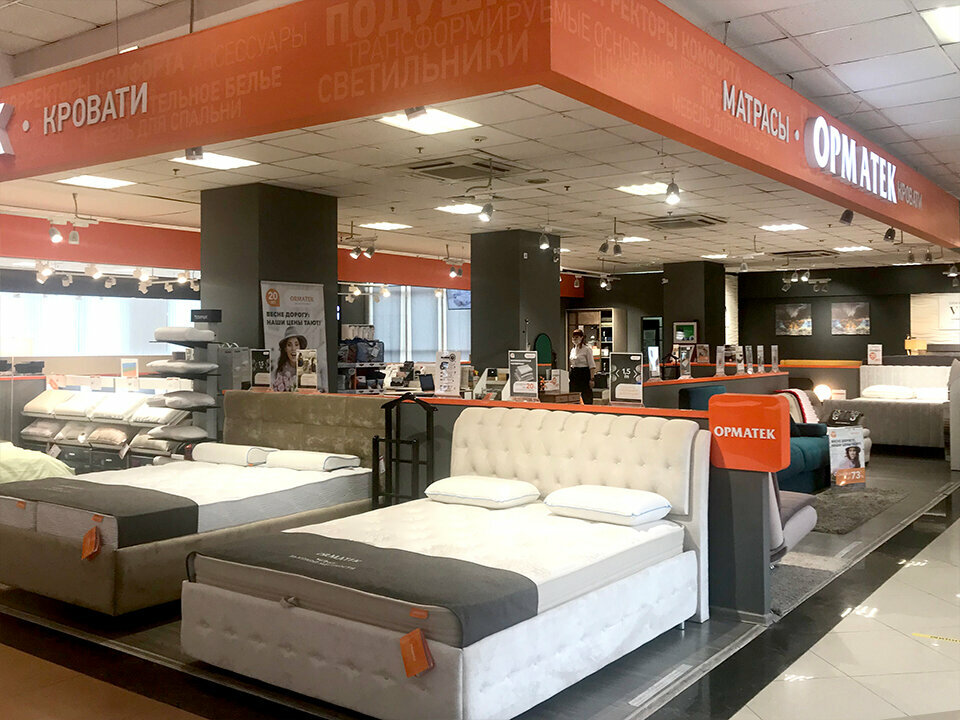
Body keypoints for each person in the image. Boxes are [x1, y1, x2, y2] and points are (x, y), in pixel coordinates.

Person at [272, 326, 308, 392]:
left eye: (296, 345)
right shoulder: (279, 371)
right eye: (289, 345)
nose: (293, 348)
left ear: (300, 347)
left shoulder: (308, 368)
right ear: (285, 349)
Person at [569, 328, 595, 405]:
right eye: (573, 337)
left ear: (581, 337)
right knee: (573, 393)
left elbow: (592, 365)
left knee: (586, 394)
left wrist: (592, 379)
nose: (575, 339)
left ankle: (588, 409)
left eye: (577, 337)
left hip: (584, 373)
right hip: (574, 373)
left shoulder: (587, 349)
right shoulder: (573, 350)